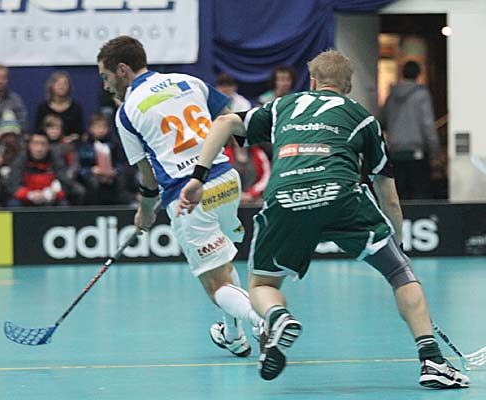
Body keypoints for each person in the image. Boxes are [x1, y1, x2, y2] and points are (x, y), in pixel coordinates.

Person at [178, 50, 469, 389]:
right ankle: (432, 360)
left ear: (313, 82)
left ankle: (277, 317)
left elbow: (224, 122)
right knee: (400, 275)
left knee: (262, 286)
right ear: (348, 87)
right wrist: (398, 248)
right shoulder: (362, 118)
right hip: (342, 198)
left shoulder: (283, 106)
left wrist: (198, 178)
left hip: (285, 199)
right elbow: (388, 195)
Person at [97, 35, 263, 357]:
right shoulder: (188, 81)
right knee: (222, 264)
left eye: (106, 76)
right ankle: (233, 335)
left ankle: (266, 319)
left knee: (216, 285)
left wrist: (145, 211)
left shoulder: (127, 112)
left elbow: (147, 177)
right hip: (226, 180)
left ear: (122, 69)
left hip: (189, 198)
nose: (105, 86)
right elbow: (228, 118)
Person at [381, 60, 441, 200]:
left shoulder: (391, 96)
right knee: (420, 194)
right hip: (417, 152)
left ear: (402, 73)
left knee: (400, 195)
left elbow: (383, 120)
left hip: (395, 152)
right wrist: (435, 153)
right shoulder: (422, 95)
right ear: (419, 74)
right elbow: (428, 125)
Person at [75, 113, 131, 205]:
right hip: (92, 178)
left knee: (121, 182)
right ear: (91, 129)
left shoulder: (114, 145)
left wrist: (115, 171)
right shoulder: (85, 146)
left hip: (112, 178)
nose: (100, 130)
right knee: (92, 185)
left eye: (103, 127)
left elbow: (121, 163)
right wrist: (91, 170)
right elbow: (80, 167)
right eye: (97, 127)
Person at [5, 132, 69, 207]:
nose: (39, 148)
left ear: (48, 146)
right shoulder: (20, 160)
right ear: (29, 145)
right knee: (13, 204)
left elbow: (65, 184)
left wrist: (54, 194)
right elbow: (13, 186)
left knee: (63, 203)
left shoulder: (56, 159)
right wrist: (30, 194)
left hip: (50, 198)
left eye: (43, 144)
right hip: (26, 198)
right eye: (36, 143)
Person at [34, 71, 84, 138]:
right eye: (59, 84)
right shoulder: (43, 108)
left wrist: (71, 138)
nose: (62, 87)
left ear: (69, 87)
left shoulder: (76, 108)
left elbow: (79, 133)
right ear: (51, 86)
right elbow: (37, 132)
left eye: (65, 84)